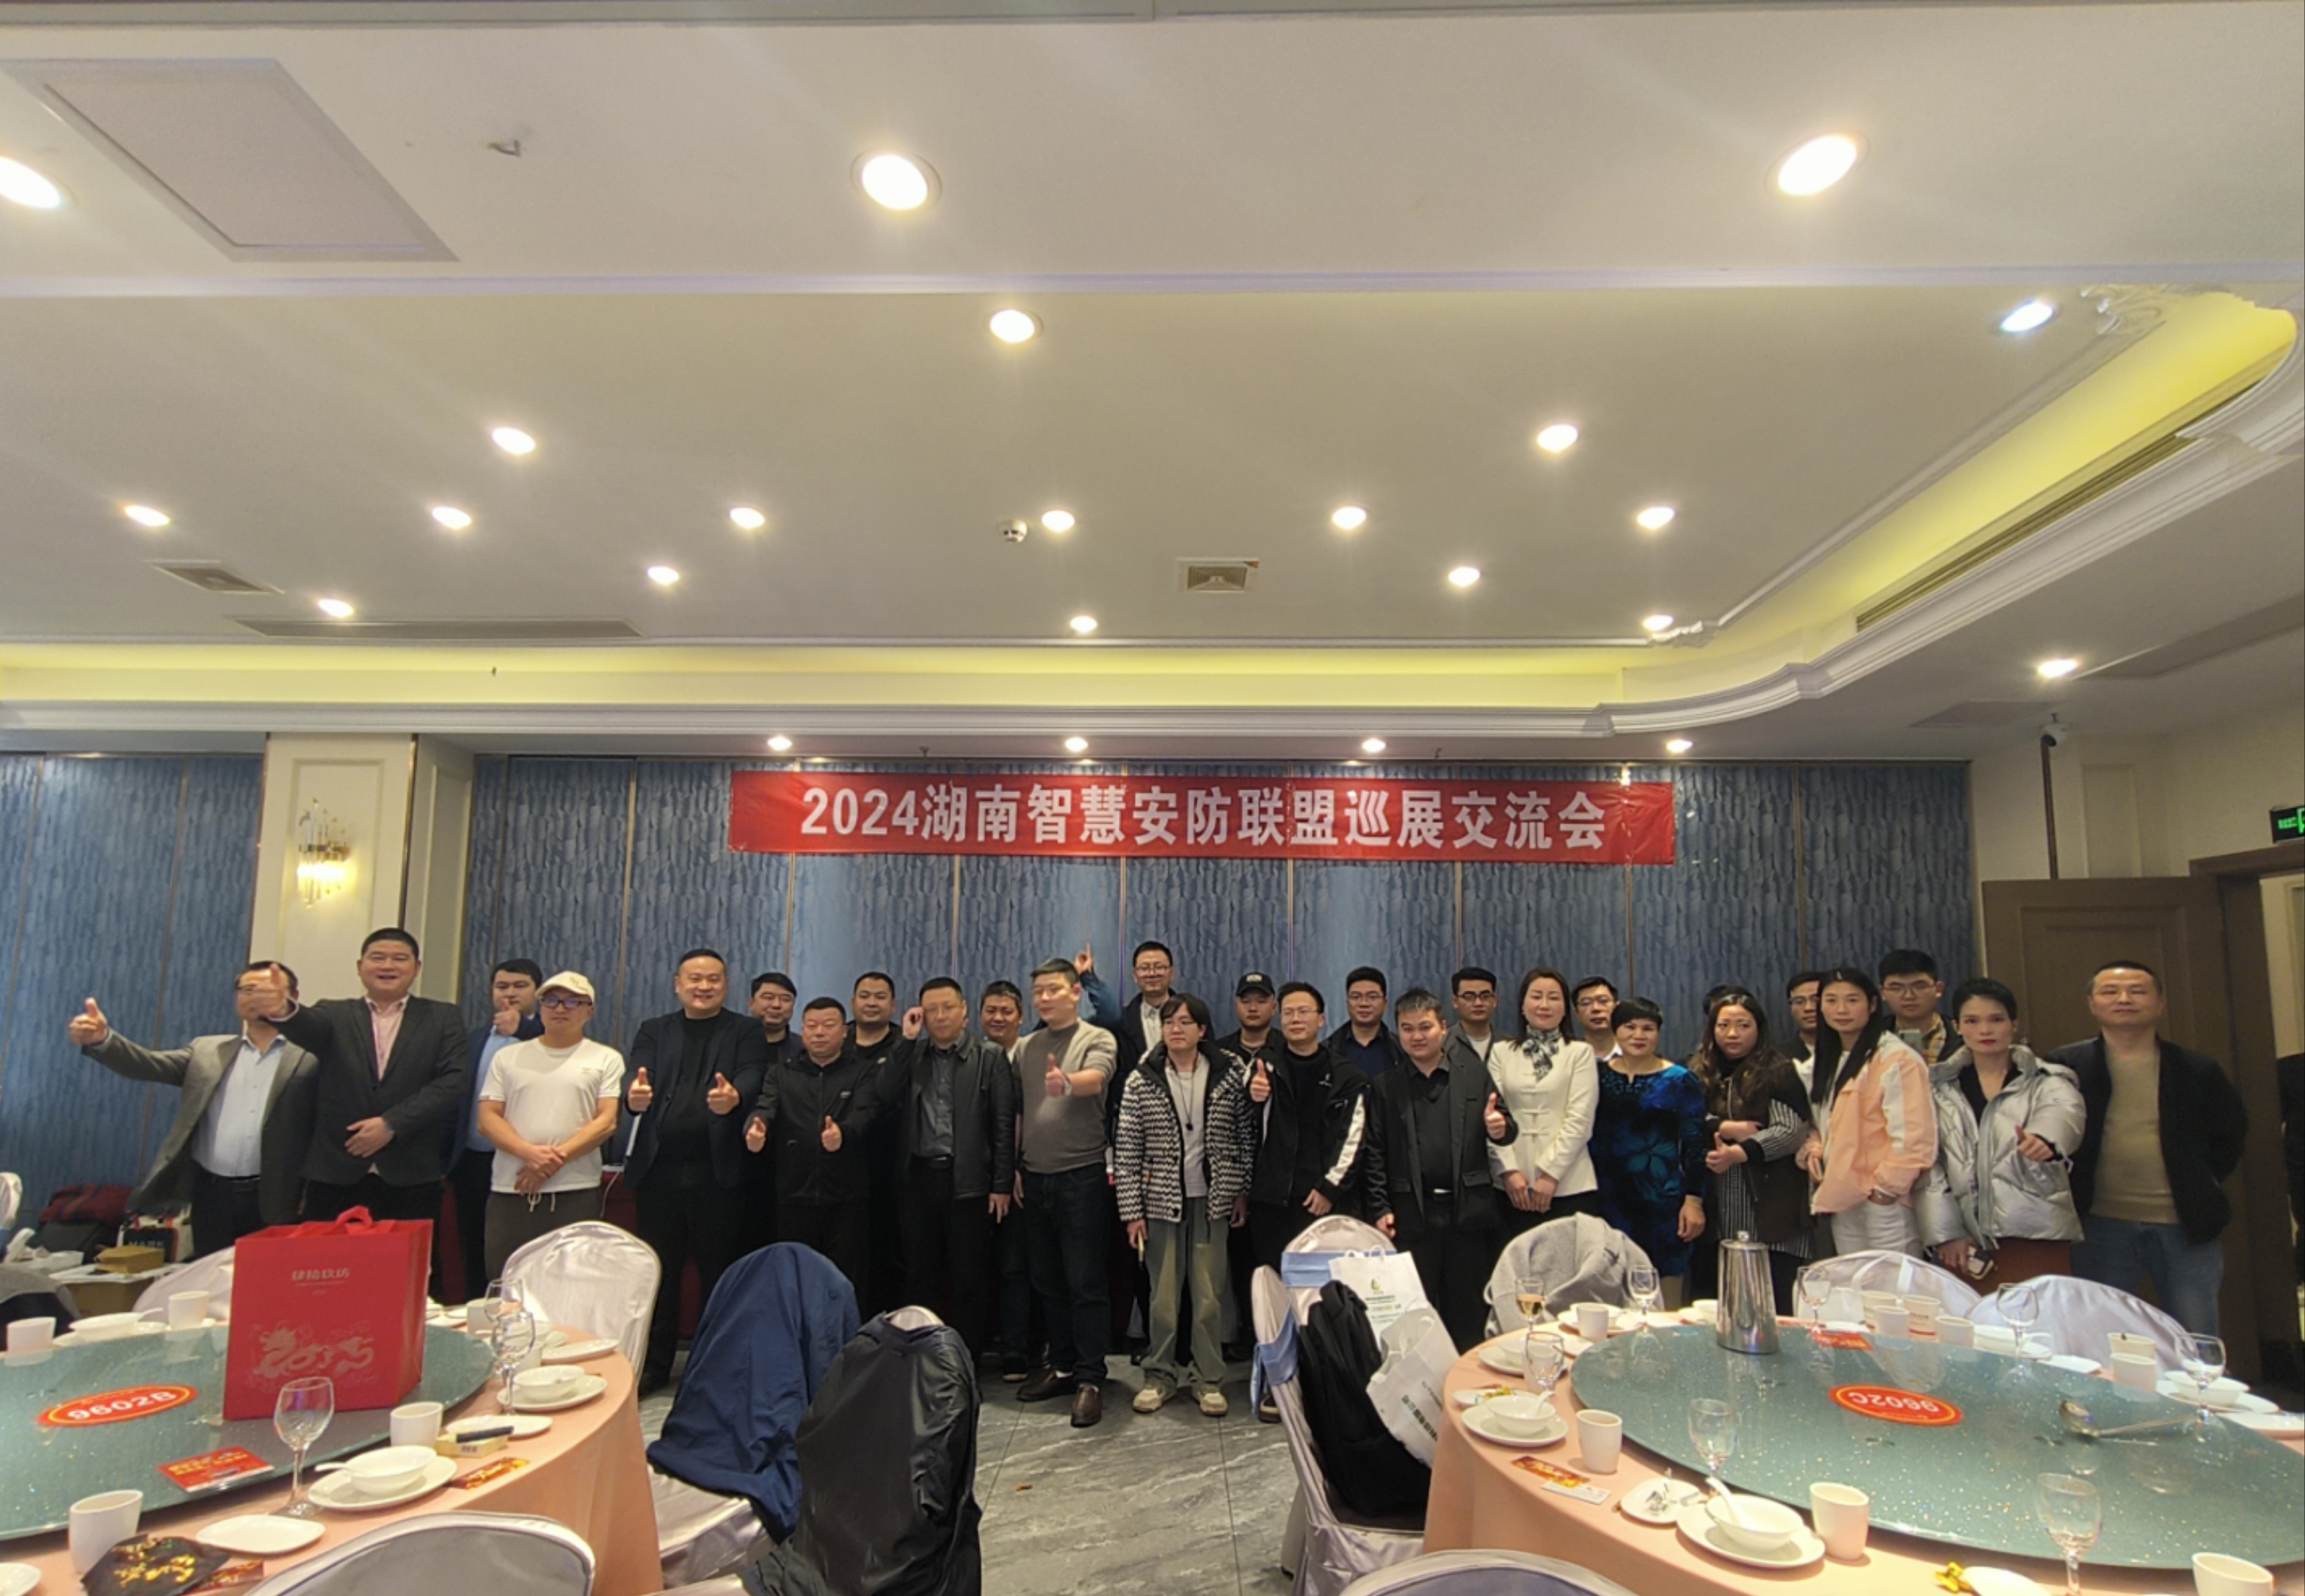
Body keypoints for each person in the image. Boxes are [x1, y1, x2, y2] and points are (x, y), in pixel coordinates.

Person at [2050, 960, 2246, 1336]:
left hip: (2184, 1226)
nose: (2124, 999)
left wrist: (2198, 1179)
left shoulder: (2196, 1068)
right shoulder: (2066, 1065)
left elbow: (2230, 1135)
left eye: (2138, 991)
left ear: (2160, 1004)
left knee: (2195, 1337)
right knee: (2100, 1335)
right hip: (2098, 1224)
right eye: (2111, 992)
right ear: (2092, 1003)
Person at [69, 963, 319, 1256]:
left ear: (293, 997)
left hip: (280, 1192)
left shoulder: (312, 1055)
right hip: (211, 1192)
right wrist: (103, 1040)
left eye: (267, 990)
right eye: (248, 990)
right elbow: (147, 1064)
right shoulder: (207, 1050)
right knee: (210, 1273)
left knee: (268, 1276)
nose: (256, 997)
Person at [623, 947, 769, 1393]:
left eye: (713, 979)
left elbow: (753, 1073)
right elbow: (637, 1076)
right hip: (659, 1173)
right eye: (695, 978)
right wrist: (634, 1097)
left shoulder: (746, 1030)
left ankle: (714, 1367)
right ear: (677, 984)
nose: (703, 986)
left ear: (726, 985)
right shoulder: (655, 1029)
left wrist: (735, 1097)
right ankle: (654, 1365)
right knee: (658, 1274)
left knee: (719, 1274)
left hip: (718, 1174)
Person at [258, 929, 468, 1225]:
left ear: (417, 968)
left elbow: (453, 1082)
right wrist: (284, 1010)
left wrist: (391, 1124)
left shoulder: (443, 1017)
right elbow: (307, 1027)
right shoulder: (334, 1013)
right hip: (336, 1171)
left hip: (410, 1173)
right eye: (378, 958)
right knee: (330, 1254)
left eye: (400, 959)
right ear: (360, 967)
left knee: (404, 1255)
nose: (388, 966)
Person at [1116, 993, 1251, 1416]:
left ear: (1202, 1030)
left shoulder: (1230, 1073)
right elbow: (1128, 1147)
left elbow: (1245, 1136)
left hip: (1213, 1199)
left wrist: (1241, 1190)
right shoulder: (1143, 1077)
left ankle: (1208, 1379)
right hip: (1160, 1200)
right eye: (1169, 1022)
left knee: (1209, 1296)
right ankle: (1160, 1375)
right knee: (1163, 1297)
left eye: (1185, 1022)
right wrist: (1132, 1212)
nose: (1176, 1030)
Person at [1362, 988, 1517, 1349]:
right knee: (1414, 1316)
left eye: (1425, 1027)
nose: (1417, 1036)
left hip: (1467, 1215)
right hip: (1411, 1215)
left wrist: (1499, 1128)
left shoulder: (1473, 1075)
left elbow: (1507, 1126)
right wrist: (1380, 1207)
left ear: (1443, 1028)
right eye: (1408, 1029)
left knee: (1468, 1315)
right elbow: (1374, 1153)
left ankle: (1466, 1379)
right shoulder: (1386, 1086)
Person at [1914, 978, 2084, 1289]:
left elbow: (2064, 1113)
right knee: (1968, 1317)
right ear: (1958, 1026)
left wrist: (2045, 1139)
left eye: (1996, 1020)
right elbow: (1929, 1163)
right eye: (1972, 1021)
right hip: (1966, 1239)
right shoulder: (1937, 1087)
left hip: (2035, 1230)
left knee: (2039, 1316)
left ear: (2014, 1024)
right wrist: (1946, 1232)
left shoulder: (2047, 1080)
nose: (1985, 1030)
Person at [887, 979, 1017, 1362]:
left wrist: (1001, 1184)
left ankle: (964, 1361)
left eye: (948, 1008)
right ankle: (920, 1360)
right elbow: (883, 1092)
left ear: (964, 1011)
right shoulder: (912, 1053)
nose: (940, 1016)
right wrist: (906, 1041)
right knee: (918, 1276)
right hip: (918, 1180)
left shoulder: (990, 1056)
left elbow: (1003, 1124)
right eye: (932, 1010)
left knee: (969, 1280)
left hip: (969, 1182)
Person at [1014, 958, 1119, 1427]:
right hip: (1035, 1178)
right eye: (1038, 991)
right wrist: (1015, 1168)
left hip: (1081, 1177)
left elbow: (1097, 1079)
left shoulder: (1097, 1038)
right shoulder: (1026, 1047)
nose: (1044, 998)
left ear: (1076, 993)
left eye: (1053, 989)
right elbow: (1019, 1112)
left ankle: (1090, 1378)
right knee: (1047, 1281)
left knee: (1085, 1282)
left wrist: (1066, 1083)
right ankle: (1061, 1366)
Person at [474, 971, 623, 1280]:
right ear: (541, 1007)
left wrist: (550, 1163)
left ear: (590, 1011)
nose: (560, 1008)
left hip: (575, 1189)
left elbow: (607, 1122)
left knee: (571, 1284)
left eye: (573, 1002)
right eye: (552, 1001)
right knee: (506, 1281)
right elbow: (488, 1119)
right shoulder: (508, 1057)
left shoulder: (606, 1058)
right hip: (512, 1186)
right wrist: (529, 1154)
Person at [744, 998, 883, 1298]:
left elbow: (866, 1113)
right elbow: (765, 1108)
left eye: (828, 1025)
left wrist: (843, 1133)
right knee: (795, 1281)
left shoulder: (863, 1071)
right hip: (794, 1195)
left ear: (844, 1031)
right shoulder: (782, 1073)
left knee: (847, 1282)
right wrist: (756, 1128)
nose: (819, 1032)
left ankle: (846, 1330)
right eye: (812, 1026)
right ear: (803, 1030)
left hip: (847, 1197)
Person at [1796, 966, 1936, 1258]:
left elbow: (1914, 1136)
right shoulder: (1826, 1060)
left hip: (1885, 1198)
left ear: (1872, 1004)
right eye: (1831, 1001)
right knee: (1854, 1279)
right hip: (1843, 1195)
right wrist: (1815, 1147)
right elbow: (1823, 1120)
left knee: (1892, 1280)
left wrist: (1884, 1191)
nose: (1841, 1010)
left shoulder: (1897, 1058)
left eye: (1852, 1000)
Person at [1684, 991, 1812, 1310]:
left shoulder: (1779, 1070)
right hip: (1714, 1209)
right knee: (1712, 1306)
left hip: (1772, 1211)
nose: (1732, 1034)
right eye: (1723, 1025)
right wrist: (1723, 1127)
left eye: (1743, 1025)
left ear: (1759, 1028)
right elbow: (1685, 1120)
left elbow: (1791, 1131)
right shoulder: (1697, 1071)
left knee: (1772, 1306)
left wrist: (1740, 1153)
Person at [1590, 997, 1708, 1302]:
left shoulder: (1680, 1080)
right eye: (1630, 1027)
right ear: (1616, 1031)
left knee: (1664, 1298)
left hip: (1662, 1201)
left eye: (1648, 1028)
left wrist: (1693, 1201)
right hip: (1606, 1198)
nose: (1638, 1035)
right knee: (1610, 1291)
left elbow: (1695, 1145)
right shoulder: (1597, 1075)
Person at [1244, 982, 1369, 1265]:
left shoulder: (1348, 1076)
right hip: (1270, 1200)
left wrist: (1330, 1189)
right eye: (1288, 1013)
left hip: (1320, 1200)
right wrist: (1253, 1094)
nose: (1295, 1019)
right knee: (1271, 1282)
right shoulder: (1265, 1066)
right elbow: (1244, 1115)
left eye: (1303, 1012)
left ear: (1321, 1019)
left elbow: (1354, 1140)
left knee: (1318, 1284)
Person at [448, 959, 543, 1299]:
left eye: (520, 986)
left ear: (537, 993)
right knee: (474, 1246)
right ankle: (478, 1313)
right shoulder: (474, 1039)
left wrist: (524, 1030)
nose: (510, 993)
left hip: (526, 1162)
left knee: (524, 1250)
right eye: (502, 986)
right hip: (473, 1160)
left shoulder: (550, 1037)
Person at [1487, 966, 1600, 1238]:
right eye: (1537, 996)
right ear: (1522, 1005)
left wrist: (1550, 1174)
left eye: (1554, 998)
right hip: (1512, 1188)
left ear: (1565, 1009)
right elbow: (1490, 1115)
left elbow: (1580, 1120)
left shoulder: (1580, 1053)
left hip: (1569, 1184)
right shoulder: (1501, 1052)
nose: (1545, 1005)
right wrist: (1508, 1171)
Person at [979, 979, 1039, 1381]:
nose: (998, 1018)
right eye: (991, 1011)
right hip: (974, 1178)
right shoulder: (972, 1055)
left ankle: (1019, 1348)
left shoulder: (1033, 1054)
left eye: (1006, 1011)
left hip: (1022, 1178)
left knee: (1018, 1266)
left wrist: (1016, 1168)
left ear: (1021, 1017)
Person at [852, 971, 907, 1317]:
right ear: (853, 1002)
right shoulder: (838, 1041)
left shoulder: (906, 1044)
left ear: (893, 1005)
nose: (872, 1003)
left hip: (893, 1167)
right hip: (843, 1165)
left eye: (880, 997)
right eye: (865, 996)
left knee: (890, 1253)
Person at [740, 972, 803, 1252]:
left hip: (788, 1163)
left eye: (785, 999)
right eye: (768, 997)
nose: (776, 1005)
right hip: (737, 1161)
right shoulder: (732, 1046)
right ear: (751, 1002)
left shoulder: (804, 1049)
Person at [1327, 966, 1407, 1080]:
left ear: (1385, 1004)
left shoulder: (1402, 1049)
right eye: (1356, 997)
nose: (1364, 1003)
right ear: (1347, 1002)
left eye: (1372, 997)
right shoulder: (1329, 1049)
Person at [1879, 949, 1953, 1064]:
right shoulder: (1870, 1038)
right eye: (1896, 988)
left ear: (1939, 989)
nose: (1908, 996)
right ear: (1883, 993)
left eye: (1920, 986)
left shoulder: (1963, 1035)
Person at [1114, 941, 1177, 1070]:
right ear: (1135, 975)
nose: (1152, 974)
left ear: (1171, 973)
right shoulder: (1121, 1021)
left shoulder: (1193, 1015)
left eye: (1159, 967)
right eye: (1144, 968)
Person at [1448, 966, 1502, 1067]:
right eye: (1469, 997)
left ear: (1495, 1000)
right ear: (1455, 1002)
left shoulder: (1510, 1046)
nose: (1478, 1003)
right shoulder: (1443, 1045)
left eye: (1485, 996)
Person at [1217, 972, 1279, 1061]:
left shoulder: (1288, 1049)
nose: (1253, 1008)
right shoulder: (1219, 1052)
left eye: (1261, 1001)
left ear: (1274, 1007)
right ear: (1236, 1006)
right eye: (1246, 1001)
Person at [1784, 971, 1826, 1089]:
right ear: (1791, 1009)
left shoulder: (1850, 1051)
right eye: (1799, 1002)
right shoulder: (1779, 1058)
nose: (1809, 1008)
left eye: (1816, 1000)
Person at [1571, 976, 1620, 1058]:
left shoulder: (1635, 1054)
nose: (1596, 1008)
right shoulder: (1569, 1057)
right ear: (1577, 1013)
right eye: (1586, 1003)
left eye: (1603, 1001)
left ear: (1617, 1008)